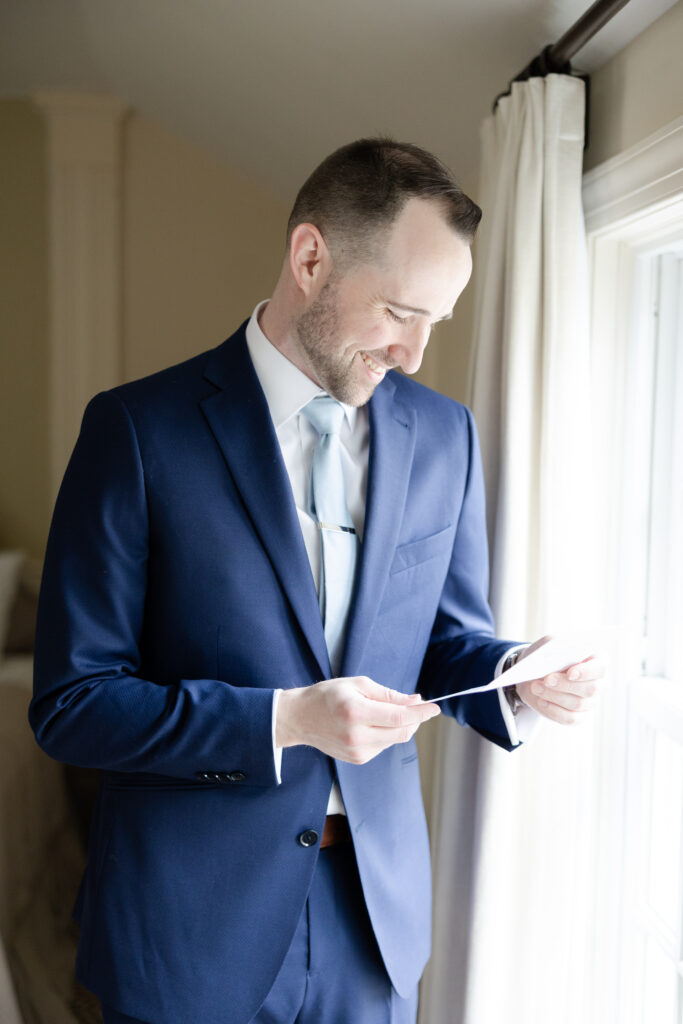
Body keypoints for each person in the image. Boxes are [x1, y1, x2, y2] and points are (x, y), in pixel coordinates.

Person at [30, 138, 602, 1024]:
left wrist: (517, 675)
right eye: (399, 313)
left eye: (434, 323)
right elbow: (74, 702)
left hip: (371, 925)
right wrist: (287, 719)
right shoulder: (139, 432)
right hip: (187, 927)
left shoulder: (445, 436)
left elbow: (443, 642)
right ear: (310, 258)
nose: (413, 352)